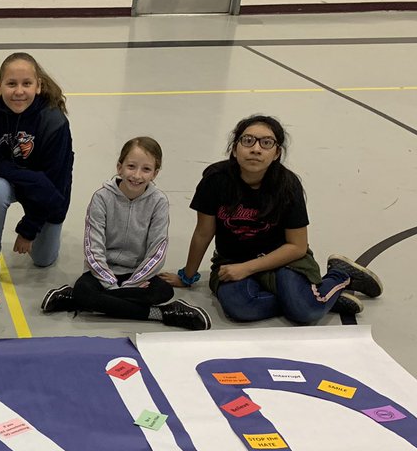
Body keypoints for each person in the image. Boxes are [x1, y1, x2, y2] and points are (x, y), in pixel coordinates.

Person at [163, 114, 382, 323]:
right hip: (232, 261)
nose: (256, 149)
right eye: (248, 141)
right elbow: (203, 232)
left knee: (306, 314)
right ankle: (313, 298)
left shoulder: (288, 186)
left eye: (266, 143)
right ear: (234, 148)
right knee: (241, 309)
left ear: (277, 153)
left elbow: (297, 247)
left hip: (283, 261)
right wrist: (187, 276)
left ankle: (339, 275)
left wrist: (248, 268)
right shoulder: (215, 180)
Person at [40, 137, 211, 330]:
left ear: (155, 173)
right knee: (85, 290)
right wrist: (111, 283)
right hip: (102, 272)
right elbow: (92, 247)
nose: (137, 175)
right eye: (131, 166)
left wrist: (133, 282)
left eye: (146, 169)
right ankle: (162, 313)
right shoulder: (101, 198)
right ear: (119, 167)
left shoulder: (158, 202)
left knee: (163, 292)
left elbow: (158, 250)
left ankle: (76, 300)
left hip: (139, 275)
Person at [0, 52, 74, 287]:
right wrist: (35, 179)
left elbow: (56, 187)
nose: (19, 91)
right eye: (11, 84)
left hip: (50, 192)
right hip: (24, 181)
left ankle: (44, 234)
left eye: (26, 84)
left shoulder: (54, 121)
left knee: (43, 260)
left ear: (38, 86)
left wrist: (29, 229)